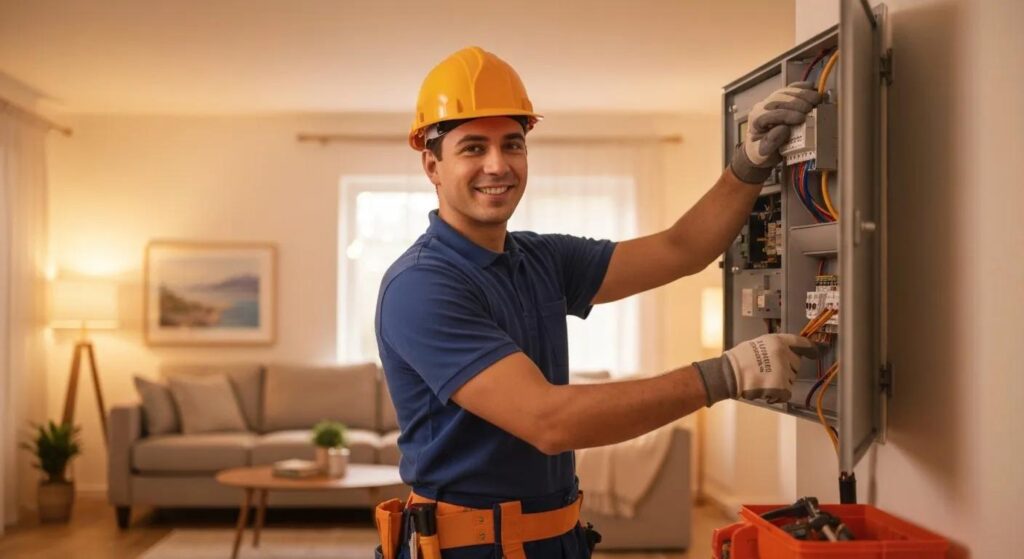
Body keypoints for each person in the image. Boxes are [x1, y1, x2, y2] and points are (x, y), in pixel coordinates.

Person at [373, 46, 821, 559]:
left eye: (512, 145)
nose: (497, 165)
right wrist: (722, 376)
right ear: (432, 164)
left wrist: (747, 165)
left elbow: (681, 249)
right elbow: (550, 421)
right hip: (468, 549)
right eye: (473, 148)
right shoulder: (422, 285)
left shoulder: (541, 257)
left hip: (558, 539)